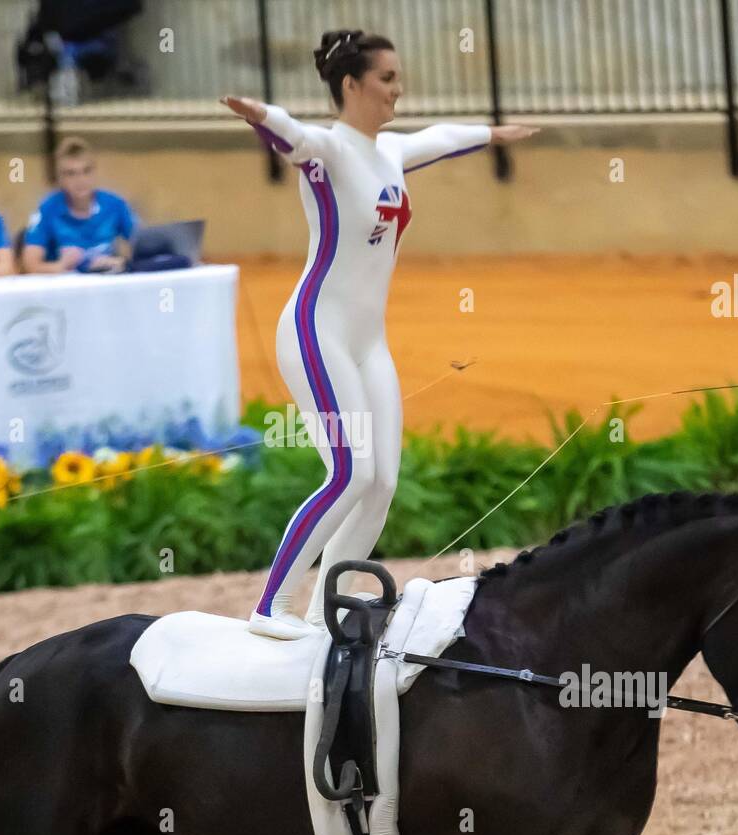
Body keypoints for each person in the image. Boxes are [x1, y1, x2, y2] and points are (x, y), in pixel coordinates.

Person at [222, 30, 535, 640]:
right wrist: (262, 117)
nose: (398, 88)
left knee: (382, 480)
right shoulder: (331, 153)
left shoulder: (387, 153)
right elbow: (297, 137)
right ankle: (271, 606)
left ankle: (325, 613)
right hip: (318, 332)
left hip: (368, 342)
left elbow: (438, 140)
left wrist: (491, 134)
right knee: (349, 473)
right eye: (387, 78)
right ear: (351, 85)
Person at [22, 137, 138, 274]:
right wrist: (62, 266)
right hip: (64, 289)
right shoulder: (47, 209)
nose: (80, 180)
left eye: (86, 171)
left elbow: (142, 245)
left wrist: (121, 262)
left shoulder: (115, 205)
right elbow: (30, 265)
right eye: (71, 174)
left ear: (95, 172)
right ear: (60, 178)